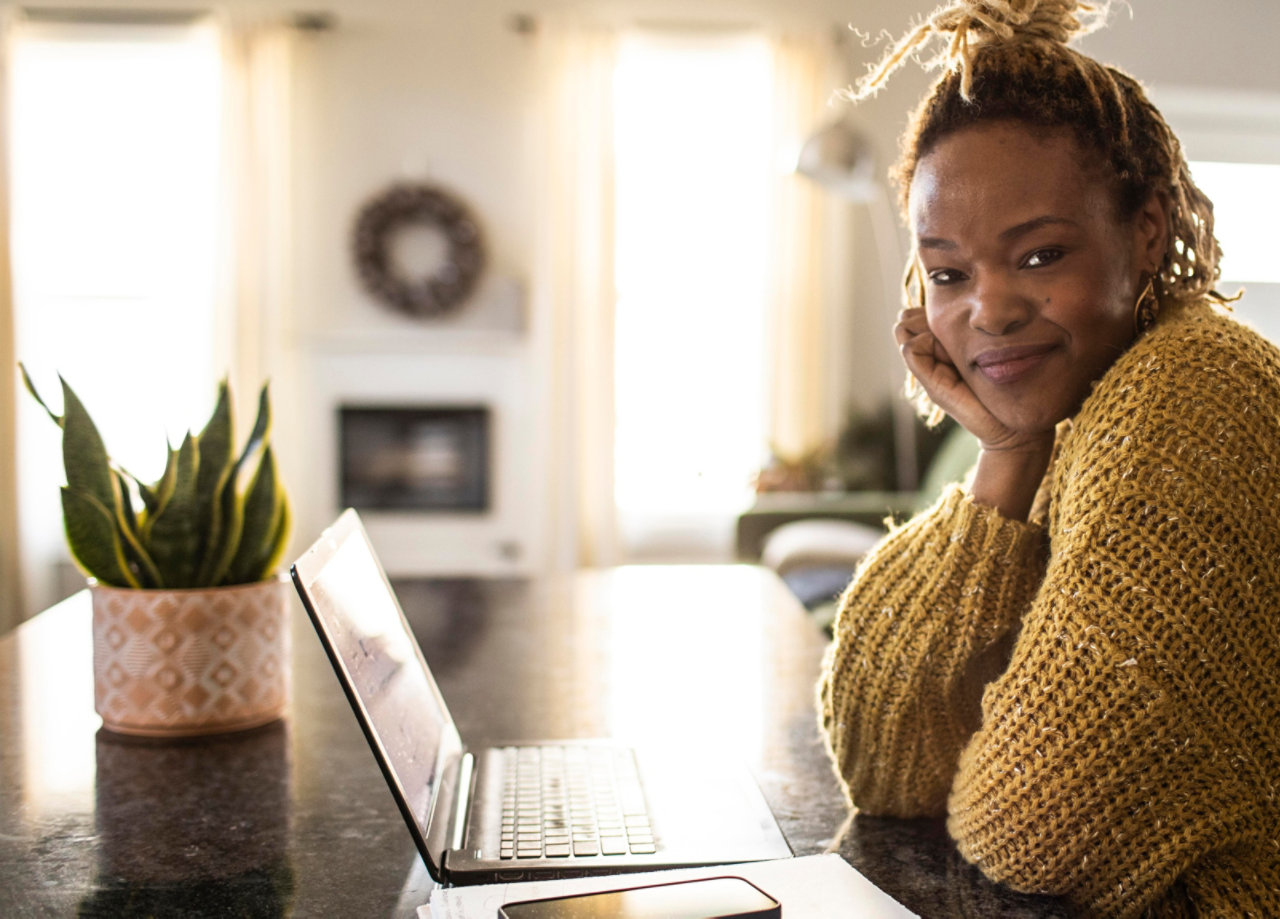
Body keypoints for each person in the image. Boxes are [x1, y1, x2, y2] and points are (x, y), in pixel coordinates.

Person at [815, 1, 1280, 915]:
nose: (986, 310)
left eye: (1038, 255)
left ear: (1147, 230)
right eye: (948, 272)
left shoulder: (1188, 396)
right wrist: (1005, 452)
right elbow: (883, 763)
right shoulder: (1077, 413)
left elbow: (1035, 825)